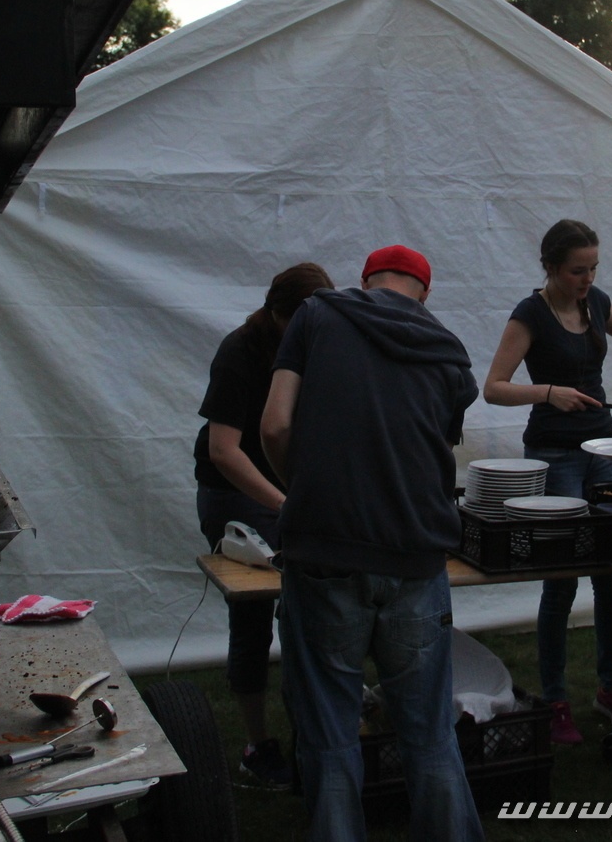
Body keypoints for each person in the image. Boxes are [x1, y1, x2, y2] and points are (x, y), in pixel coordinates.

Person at [261, 245, 482, 842]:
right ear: (425, 293)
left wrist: (306, 492)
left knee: (331, 737)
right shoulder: (449, 352)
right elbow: (431, 454)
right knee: (429, 735)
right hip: (415, 556)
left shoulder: (317, 315)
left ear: (365, 282)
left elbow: (275, 425)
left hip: (325, 554)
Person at [482, 218, 612, 743]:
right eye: (577, 271)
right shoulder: (530, 314)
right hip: (554, 453)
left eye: (593, 269)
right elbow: (493, 387)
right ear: (549, 267)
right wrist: (548, 392)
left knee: (611, 570)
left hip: (601, 450)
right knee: (562, 575)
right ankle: (556, 699)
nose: (587, 279)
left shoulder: (597, 304)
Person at [193, 262, 333, 786]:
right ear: (277, 314)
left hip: (288, 489)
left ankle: (316, 732)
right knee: (252, 615)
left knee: (311, 609)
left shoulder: (317, 345)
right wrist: (284, 503)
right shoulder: (240, 352)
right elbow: (223, 451)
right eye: (301, 321)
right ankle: (257, 746)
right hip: (234, 493)